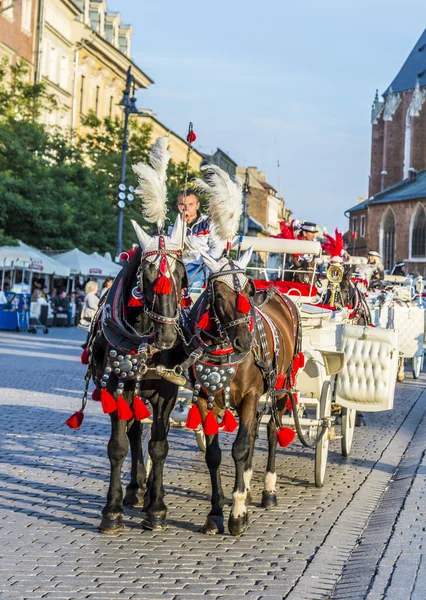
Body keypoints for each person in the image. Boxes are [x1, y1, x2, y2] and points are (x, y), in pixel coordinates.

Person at [168, 189, 224, 291]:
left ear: (197, 205)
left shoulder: (209, 223)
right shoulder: (173, 227)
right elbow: (174, 246)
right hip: (181, 266)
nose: (186, 208)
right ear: (178, 206)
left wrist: (206, 260)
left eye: (190, 204)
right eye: (182, 205)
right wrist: (182, 222)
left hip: (203, 265)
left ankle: (190, 304)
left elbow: (217, 248)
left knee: (194, 283)